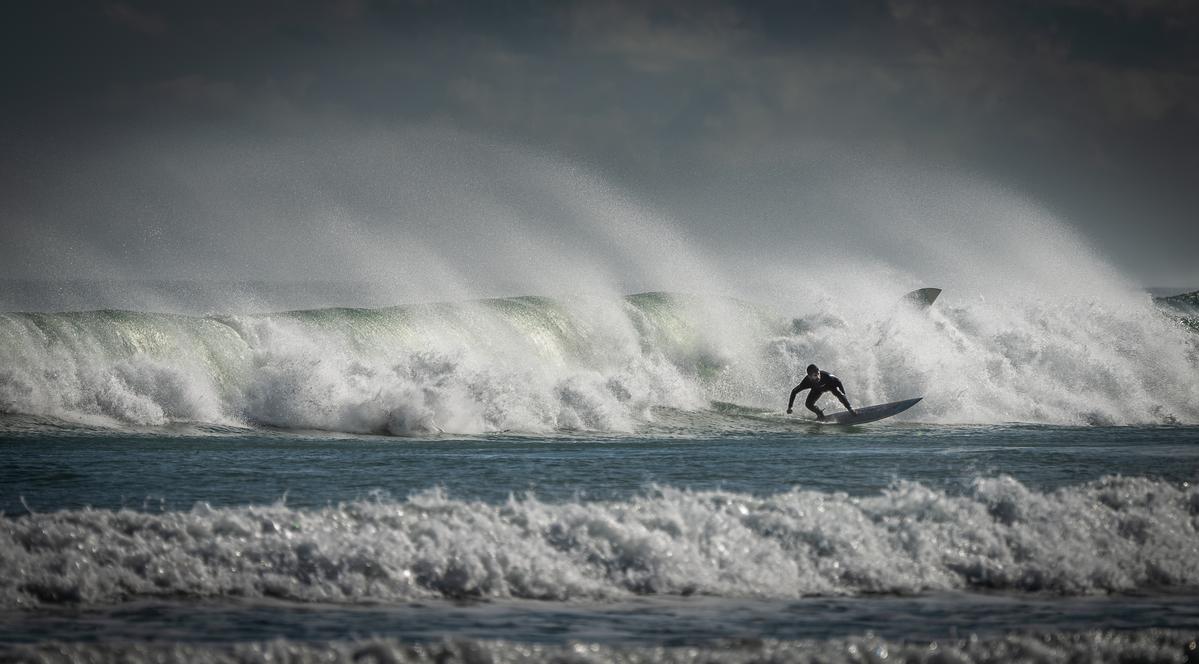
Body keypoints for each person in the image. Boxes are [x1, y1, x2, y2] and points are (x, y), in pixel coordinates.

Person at [787, 364, 857, 420]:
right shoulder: (806, 382)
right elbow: (794, 391)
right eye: (815, 375)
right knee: (808, 404)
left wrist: (844, 396)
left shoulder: (827, 376)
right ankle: (820, 414)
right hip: (817, 390)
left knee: (838, 393)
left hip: (830, 386)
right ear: (809, 376)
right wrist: (790, 407)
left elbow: (838, 381)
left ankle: (850, 409)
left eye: (818, 374)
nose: (818, 377)